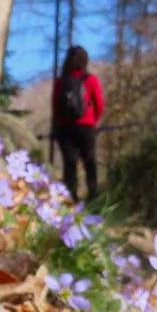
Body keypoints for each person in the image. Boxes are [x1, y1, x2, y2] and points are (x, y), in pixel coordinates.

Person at [51, 45, 104, 202]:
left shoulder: (60, 81)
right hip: (85, 126)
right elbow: (99, 104)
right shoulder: (91, 80)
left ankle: (71, 197)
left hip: (64, 127)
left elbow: (55, 105)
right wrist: (93, 121)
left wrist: (58, 124)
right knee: (90, 162)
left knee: (69, 163)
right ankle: (93, 196)